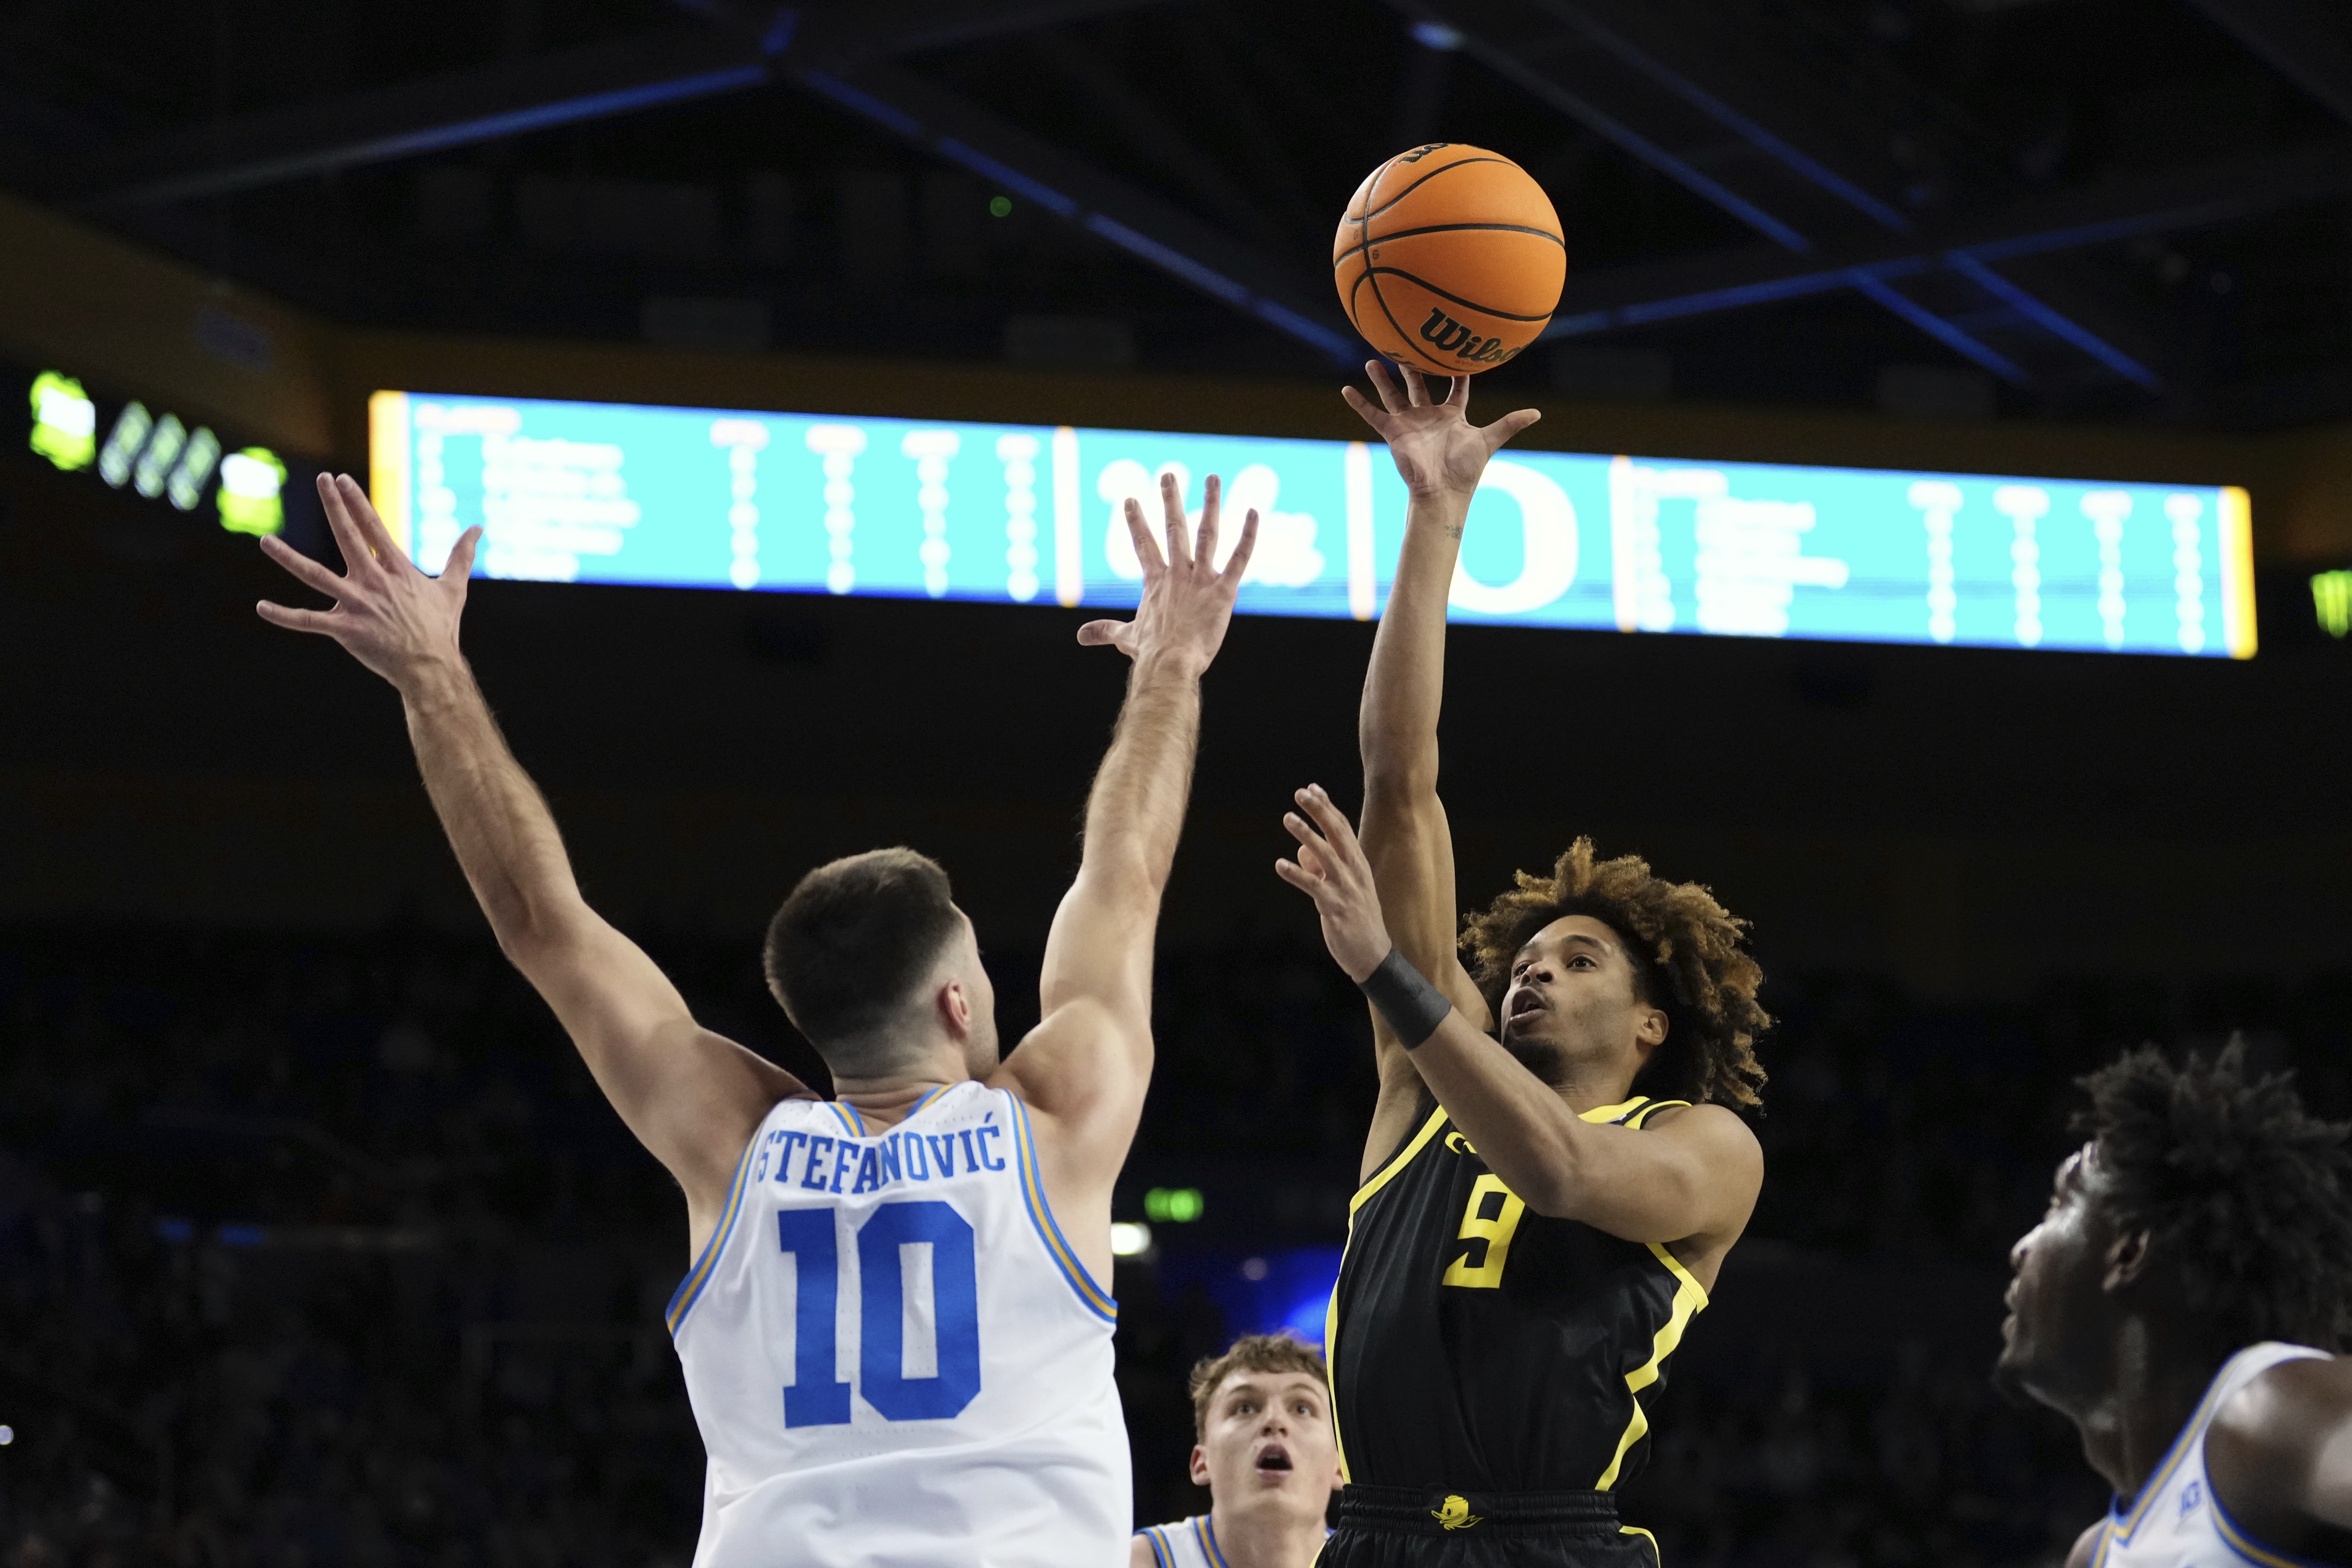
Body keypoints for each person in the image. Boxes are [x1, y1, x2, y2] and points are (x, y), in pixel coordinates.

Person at [255, 470, 1256, 1567]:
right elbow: (1124, 875)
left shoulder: (740, 1143)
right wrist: (1170, 664)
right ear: (956, 1000)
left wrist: (431, 676)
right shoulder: (1052, 1125)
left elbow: (541, 920)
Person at [1278, 364, 1773, 1566]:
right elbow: (1400, 776)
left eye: (1579, 959)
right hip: (1375, 1536)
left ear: (1651, 1023)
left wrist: (1390, 974)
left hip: (1550, 1541)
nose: (1529, 975)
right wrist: (1434, 514)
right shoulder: (1424, 1078)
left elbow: (1560, 1168)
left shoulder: (1706, 1146)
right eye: (1526, 959)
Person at [1996, 1039, 2352, 1566]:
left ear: (2128, 1252)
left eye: (2058, 1203)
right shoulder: (2092, 1555)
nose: (2020, 1249)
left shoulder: (2266, 1410)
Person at [1134, 1334, 1345, 1568]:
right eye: (1245, 1408)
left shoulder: (1365, 1560)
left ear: (1340, 1468)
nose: (1274, 1420)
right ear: (1202, 1464)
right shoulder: (1141, 1560)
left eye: (1303, 1409)